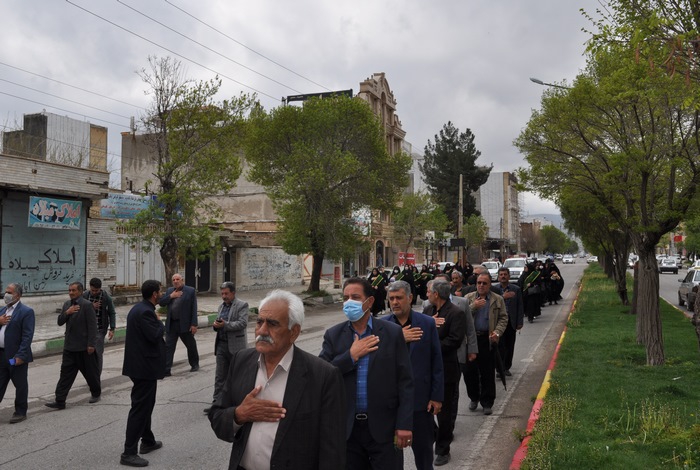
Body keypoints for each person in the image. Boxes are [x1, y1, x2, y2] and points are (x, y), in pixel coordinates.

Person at [210, 290, 346, 470]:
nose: (262, 331)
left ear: (294, 332)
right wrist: (239, 415)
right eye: (259, 322)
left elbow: (332, 452)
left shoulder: (323, 376)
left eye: (273, 324)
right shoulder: (241, 361)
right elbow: (217, 417)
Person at [320, 277, 414, 469]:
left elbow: (405, 382)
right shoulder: (333, 335)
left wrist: (404, 424)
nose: (349, 302)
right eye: (345, 298)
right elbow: (322, 376)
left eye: (355, 297)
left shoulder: (392, 333)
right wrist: (350, 356)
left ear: (369, 302)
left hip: (384, 427)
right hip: (348, 430)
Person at [385, 281, 444, 470]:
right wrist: (398, 338)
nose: (395, 302)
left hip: (421, 402)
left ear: (410, 298)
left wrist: (436, 396)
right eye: (391, 298)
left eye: (399, 298)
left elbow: (436, 361)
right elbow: (376, 360)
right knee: (391, 458)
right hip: (391, 404)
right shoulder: (383, 327)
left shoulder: (426, 323)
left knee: (424, 455)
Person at [120, 280, 167, 467]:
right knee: (140, 409)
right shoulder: (146, 312)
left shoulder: (139, 308)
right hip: (144, 368)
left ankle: (148, 440)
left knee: (146, 405)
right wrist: (160, 322)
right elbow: (154, 335)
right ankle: (128, 452)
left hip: (141, 366)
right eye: (160, 291)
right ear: (154, 294)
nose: (161, 293)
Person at [423, 279, 467, 466]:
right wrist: (429, 325)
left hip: (446, 369)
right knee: (423, 409)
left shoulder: (456, 313)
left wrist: (431, 345)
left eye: (428, 291)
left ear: (436, 294)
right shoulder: (428, 311)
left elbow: (455, 340)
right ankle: (436, 434)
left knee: (444, 412)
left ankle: (442, 449)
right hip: (426, 369)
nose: (426, 294)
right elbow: (419, 332)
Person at [46, 282, 101, 409]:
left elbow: (93, 326)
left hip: (84, 348)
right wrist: (67, 312)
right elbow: (60, 321)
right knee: (65, 375)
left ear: (80, 292)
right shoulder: (67, 305)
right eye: (69, 290)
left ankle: (96, 393)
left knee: (91, 373)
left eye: (73, 290)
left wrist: (91, 344)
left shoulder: (87, 305)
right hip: (69, 347)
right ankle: (60, 400)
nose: (71, 292)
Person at [464, 273, 508, 415]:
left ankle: (487, 402)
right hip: (471, 340)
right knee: (469, 372)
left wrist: (497, 333)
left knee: (487, 372)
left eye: (484, 283)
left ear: (489, 285)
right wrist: (473, 307)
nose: (481, 285)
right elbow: (460, 317)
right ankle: (474, 397)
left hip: (487, 339)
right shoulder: (468, 298)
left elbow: (503, 318)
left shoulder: (497, 299)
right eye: (479, 283)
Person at [203, 282, 248, 414]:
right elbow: (219, 323)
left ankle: (238, 404)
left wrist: (225, 325)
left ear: (233, 293)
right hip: (221, 345)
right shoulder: (221, 306)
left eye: (226, 293)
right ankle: (216, 405)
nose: (224, 296)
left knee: (237, 376)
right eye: (222, 293)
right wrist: (216, 326)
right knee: (220, 377)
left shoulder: (242, 305)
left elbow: (242, 323)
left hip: (236, 347)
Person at [0, 283, 35, 423]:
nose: (6, 295)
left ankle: (20, 412)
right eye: (6, 292)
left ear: (18, 295)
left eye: (9, 292)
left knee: (20, 384)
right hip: (2, 355)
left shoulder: (26, 312)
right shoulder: (2, 310)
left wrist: (20, 355)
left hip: (15, 357)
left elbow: (27, 336)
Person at [159, 273, 199, 375]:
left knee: (190, 345)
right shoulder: (170, 291)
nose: (175, 281)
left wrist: (194, 324)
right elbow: (161, 302)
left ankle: (194, 364)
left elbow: (194, 308)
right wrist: (171, 296)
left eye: (177, 279)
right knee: (168, 347)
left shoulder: (190, 291)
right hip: (172, 324)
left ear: (182, 280)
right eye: (174, 280)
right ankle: (166, 369)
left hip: (185, 324)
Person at [83, 277, 116, 377]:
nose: (94, 292)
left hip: (100, 329)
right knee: (86, 354)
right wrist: (91, 306)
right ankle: (90, 375)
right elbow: (79, 309)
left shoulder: (106, 297)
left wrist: (112, 328)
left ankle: (97, 376)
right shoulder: (85, 296)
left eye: (96, 291)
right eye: (92, 290)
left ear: (100, 288)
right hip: (86, 330)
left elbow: (112, 312)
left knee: (98, 353)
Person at [496, 268, 524, 377]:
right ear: (498, 277)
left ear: (509, 276)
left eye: (505, 274)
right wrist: (503, 297)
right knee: (499, 346)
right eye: (501, 274)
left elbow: (520, 306)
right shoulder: (494, 289)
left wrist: (519, 322)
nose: (503, 276)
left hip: (511, 322)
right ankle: (499, 368)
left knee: (509, 345)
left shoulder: (516, 289)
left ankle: (506, 367)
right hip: (498, 323)